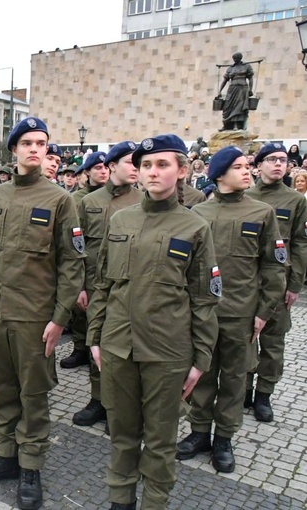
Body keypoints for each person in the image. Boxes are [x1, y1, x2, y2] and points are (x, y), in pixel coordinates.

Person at [87, 134, 219, 510]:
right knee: (122, 434)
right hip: (117, 346)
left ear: (181, 170)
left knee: (160, 442)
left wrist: (200, 359)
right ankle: (120, 501)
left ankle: (154, 503)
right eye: (146, 165)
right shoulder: (121, 220)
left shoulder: (195, 227)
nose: (153, 172)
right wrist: (95, 337)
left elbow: (205, 298)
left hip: (167, 352)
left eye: (162, 165)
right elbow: (102, 283)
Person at [0, 118, 84, 510]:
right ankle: (5, 456)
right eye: (27, 143)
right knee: (1, 389)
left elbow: (72, 264)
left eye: (42, 143)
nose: (35, 149)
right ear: (13, 150)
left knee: (33, 394)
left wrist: (60, 317)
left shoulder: (60, 200)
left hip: (36, 317)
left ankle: (30, 464)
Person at [177, 146, 285, 474]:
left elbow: (274, 267)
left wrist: (264, 311)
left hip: (242, 314)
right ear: (220, 174)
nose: (247, 171)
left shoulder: (261, 213)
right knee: (203, 374)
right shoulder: (198, 215)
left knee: (236, 379)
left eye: (247, 165)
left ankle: (223, 438)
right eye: (238, 167)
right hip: (206, 315)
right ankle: (199, 433)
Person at [71, 141, 141, 430]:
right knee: (95, 344)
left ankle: (119, 407)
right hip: (95, 287)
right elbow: (76, 248)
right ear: (112, 166)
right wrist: (79, 286)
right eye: (130, 162)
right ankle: (98, 399)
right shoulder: (90, 202)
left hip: (128, 290)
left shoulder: (142, 200)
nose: (136, 168)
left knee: (124, 351)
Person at [244, 143, 307, 421]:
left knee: (273, 341)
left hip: (279, 280)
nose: (279, 164)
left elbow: (301, 243)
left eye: (283, 160)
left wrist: (295, 284)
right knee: (245, 338)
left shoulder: (296, 200)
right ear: (258, 166)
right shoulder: (244, 195)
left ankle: (264, 395)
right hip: (247, 280)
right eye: (271, 159)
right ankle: (243, 389)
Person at [62, 151, 110, 370]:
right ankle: (80, 348)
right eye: (98, 168)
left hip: (110, 268)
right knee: (82, 314)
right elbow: (74, 240)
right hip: (87, 267)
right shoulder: (78, 199)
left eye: (106, 167)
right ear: (87, 172)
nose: (103, 171)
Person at [217, 53, 254, 131]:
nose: (235, 60)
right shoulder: (230, 68)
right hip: (232, 88)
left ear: (240, 58)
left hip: (242, 88)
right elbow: (225, 80)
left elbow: (250, 78)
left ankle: (236, 125)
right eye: (234, 59)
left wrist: (251, 89)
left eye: (237, 58)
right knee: (227, 107)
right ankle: (226, 125)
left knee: (238, 107)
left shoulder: (246, 66)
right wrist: (219, 91)